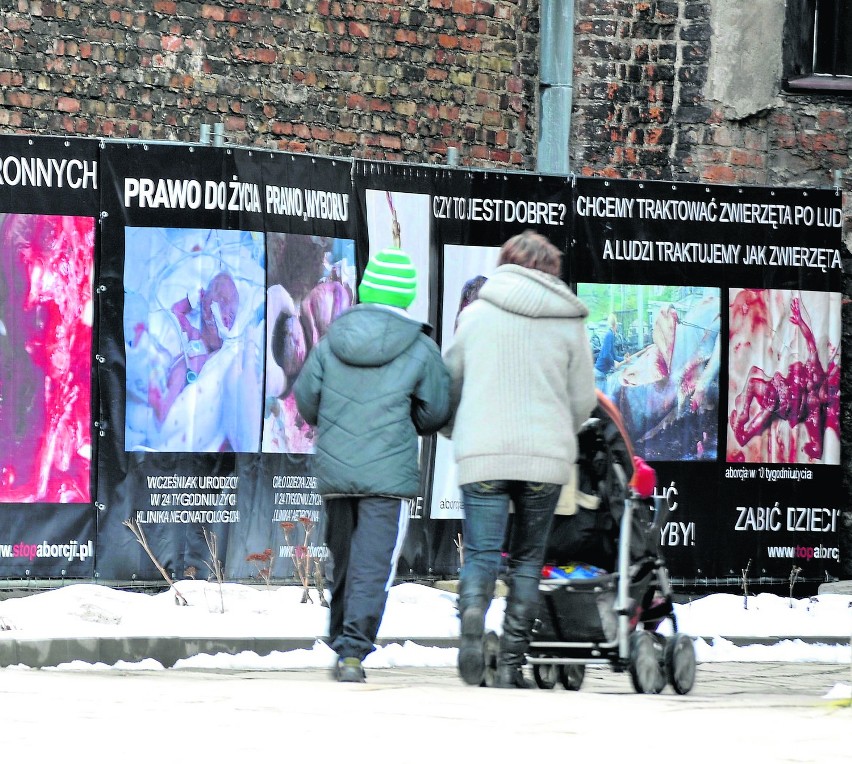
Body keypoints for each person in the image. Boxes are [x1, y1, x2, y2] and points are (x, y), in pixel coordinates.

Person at [442, 230, 596, 688]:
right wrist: (558, 433)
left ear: (506, 263)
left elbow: (450, 383)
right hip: (545, 461)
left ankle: (472, 616)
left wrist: (457, 431)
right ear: (551, 269)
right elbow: (583, 400)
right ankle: (510, 664)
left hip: (483, 454)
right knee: (528, 561)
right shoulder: (568, 321)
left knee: (482, 553)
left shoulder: (476, 315)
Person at [293, 248, 451, 683]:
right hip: (388, 476)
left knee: (344, 558)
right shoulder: (420, 346)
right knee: (373, 564)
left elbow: (307, 402)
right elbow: (436, 410)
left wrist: (339, 425)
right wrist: (405, 425)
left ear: (366, 289)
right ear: (406, 295)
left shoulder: (331, 340)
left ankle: (341, 637)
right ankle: (352, 651)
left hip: (337, 473)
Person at [594, 312, 628, 388]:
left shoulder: (611, 335)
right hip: (599, 373)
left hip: (602, 374)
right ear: (615, 325)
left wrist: (623, 359)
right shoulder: (610, 334)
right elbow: (606, 354)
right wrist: (613, 363)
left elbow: (613, 355)